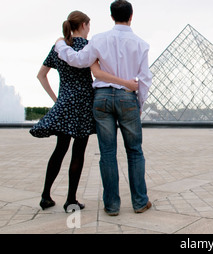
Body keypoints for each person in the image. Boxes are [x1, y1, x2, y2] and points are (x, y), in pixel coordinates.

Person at [31, 11, 138, 213]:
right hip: (83, 103)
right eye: (89, 26)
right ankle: (71, 200)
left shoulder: (59, 47)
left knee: (59, 150)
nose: (90, 30)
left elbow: (41, 76)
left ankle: (46, 195)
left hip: (65, 103)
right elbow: (98, 72)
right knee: (77, 153)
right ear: (84, 25)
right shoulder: (89, 47)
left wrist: (57, 100)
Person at [55, 0, 153, 216]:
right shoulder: (141, 44)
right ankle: (139, 202)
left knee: (107, 153)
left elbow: (78, 60)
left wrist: (61, 45)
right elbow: (145, 79)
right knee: (135, 151)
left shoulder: (99, 39)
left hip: (101, 98)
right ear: (131, 16)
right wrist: (139, 105)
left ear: (111, 17)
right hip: (127, 97)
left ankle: (112, 205)